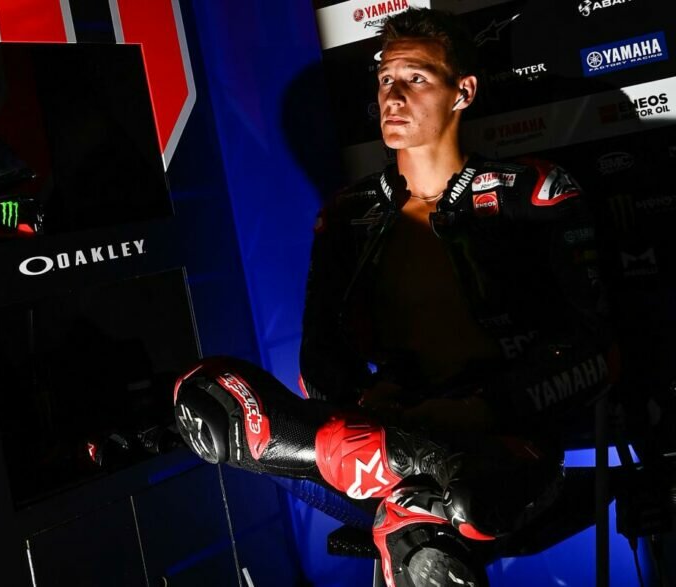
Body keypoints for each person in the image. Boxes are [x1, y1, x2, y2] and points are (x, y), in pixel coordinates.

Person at [174, 8, 615, 587]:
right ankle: (400, 470)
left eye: (416, 78)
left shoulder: (533, 195)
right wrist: (363, 400)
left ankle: (406, 491)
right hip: (381, 432)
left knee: (440, 513)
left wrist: (479, 409)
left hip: (499, 441)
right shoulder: (348, 214)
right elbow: (319, 355)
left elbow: (599, 352)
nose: (394, 96)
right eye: (386, 79)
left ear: (463, 92)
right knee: (209, 399)